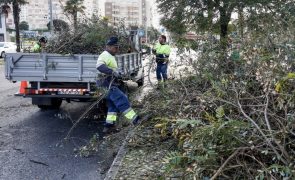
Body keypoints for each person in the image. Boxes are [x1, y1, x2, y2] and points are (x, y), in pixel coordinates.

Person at [96, 37, 143, 134]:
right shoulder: (105, 55)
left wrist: (119, 75)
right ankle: (136, 120)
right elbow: (100, 66)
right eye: (115, 47)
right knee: (122, 100)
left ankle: (109, 126)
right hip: (106, 84)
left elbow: (112, 70)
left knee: (113, 107)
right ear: (108, 47)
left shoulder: (111, 56)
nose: (117, 49)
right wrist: (113, 72)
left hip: (109, 83)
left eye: (118, 47)